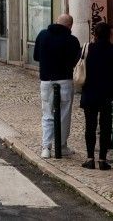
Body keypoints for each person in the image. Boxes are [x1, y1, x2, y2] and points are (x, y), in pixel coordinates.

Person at [79, 22, 113, 170]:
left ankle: (89, 158)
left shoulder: (87, 49)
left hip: (90, 93)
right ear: (109, 35)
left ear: (95, 34)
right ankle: (102, 159)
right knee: (105, 127)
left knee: (90, 126)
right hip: (109, 95)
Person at [33, 13, 82, 158]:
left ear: (56, 22)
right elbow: (76, 61)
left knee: (47, 114)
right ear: (70, 26)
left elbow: (36, 57)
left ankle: (46, 148)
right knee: (64, 115)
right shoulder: (72, 40)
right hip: (65, 80)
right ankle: (61, 146)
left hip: (46, 81)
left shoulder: (42, 35)